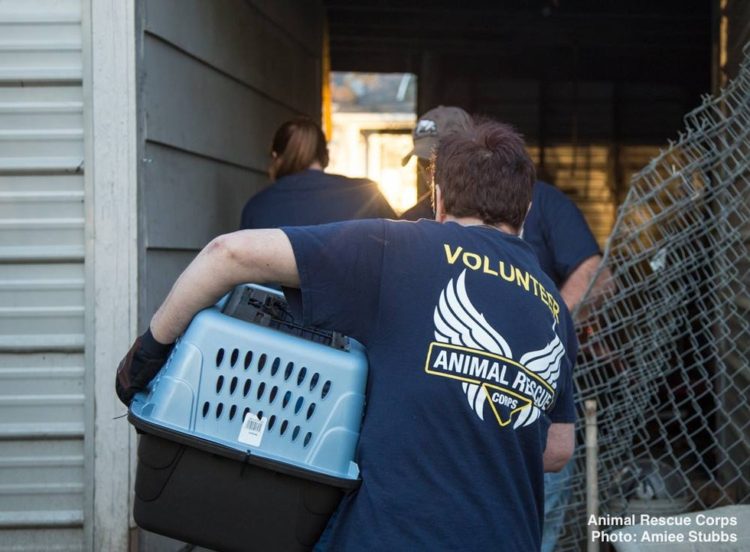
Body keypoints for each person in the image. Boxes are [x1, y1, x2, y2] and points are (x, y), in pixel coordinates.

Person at [117, 119, 577, 551]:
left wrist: (147, 356)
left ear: (438, 197)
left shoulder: (402, 250)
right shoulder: (553, 307)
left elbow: (228, 254)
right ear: (527, 206)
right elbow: (558, 447)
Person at [401, 106, 610, 550]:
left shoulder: (541, 202)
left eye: (435, 161)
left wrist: (553, 327)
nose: (428, 174)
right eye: (422, 162)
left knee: (527, 530)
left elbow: (593, 268)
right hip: (436, 429)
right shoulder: (406, 226)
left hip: (522, 411)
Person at [240, 117, 395, 229]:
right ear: (326, 155)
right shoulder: (367, 193)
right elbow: (402, 248)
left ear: (275, 157)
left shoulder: (258, 206)